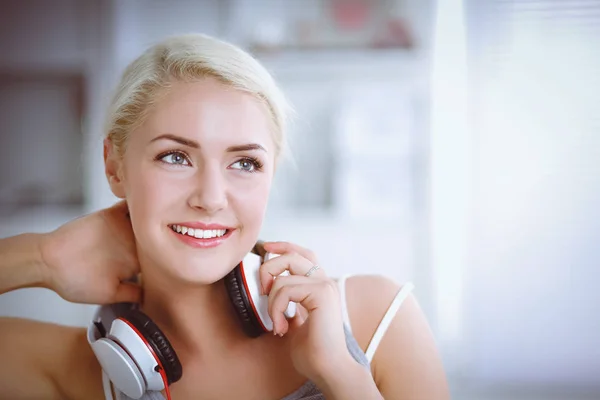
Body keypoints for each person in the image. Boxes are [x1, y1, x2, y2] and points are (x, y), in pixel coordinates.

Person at [0, 34, 450, 399]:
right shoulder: (77, 372)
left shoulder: (375, 318)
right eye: (175, 157)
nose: (212, 198)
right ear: (114, 166)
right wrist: (43, 257)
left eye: (245, 163)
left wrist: (344, 376)